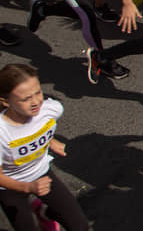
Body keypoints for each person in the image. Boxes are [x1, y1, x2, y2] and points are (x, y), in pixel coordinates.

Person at [0, 64, 88, 231]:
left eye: (38, 93)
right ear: (6, 101)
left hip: (42, 173)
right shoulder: (2, 132)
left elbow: (40, 128)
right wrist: (28, 187)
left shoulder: (51, 109)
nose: (35, 102)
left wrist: (50, 140)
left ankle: (44, 213)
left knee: (80, 226)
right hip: (10, 186)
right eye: (25, 99)